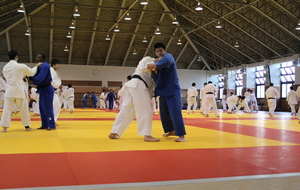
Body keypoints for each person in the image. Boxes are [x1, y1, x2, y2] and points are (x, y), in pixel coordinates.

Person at [108, 56, 160, 142]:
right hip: (138, 84)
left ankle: (114, 132)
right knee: (146, 111)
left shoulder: (152, 76)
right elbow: (144, 67)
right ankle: (147, 135)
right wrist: (156, 61)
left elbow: (151, 89)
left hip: (133, 86)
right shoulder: (148, 59)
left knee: (127, 110)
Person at [147, 42, 186, 142]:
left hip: (172, 89)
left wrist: (155, 64)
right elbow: (157, 79)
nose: (159, 53)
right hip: (163, 91)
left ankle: (181, 135)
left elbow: (167, 61)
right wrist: (154, 71)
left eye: (161, 50)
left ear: (165, 50)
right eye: (157, 51)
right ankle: (171, 130)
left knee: (175, 112)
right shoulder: (158, 64)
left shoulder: (168, 56)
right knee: (164, 113)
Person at [0, 50, 40, 132]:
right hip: (19, 91)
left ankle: (4, 127)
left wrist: (23, 78)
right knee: (24, 109)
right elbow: (32, 73)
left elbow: (11, 77)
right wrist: (37, 66)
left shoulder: (5, 68)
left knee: (7, 110)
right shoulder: (21, 66)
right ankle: (27, 126)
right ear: (16, 57)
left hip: (9, 91)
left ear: (9, 57)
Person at [30, 53, 56, 130]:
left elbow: (40, 78)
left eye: (39, 57)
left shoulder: (44, 66)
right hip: (42, 89)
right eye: (36, 57)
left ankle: (51, 125)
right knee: (42, 108)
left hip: (47, 89)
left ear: (43, 58)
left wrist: (31, 78)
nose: (37, 59)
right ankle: (44, 124)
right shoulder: (40, 66)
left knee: (47, 108)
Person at [50, 59, 62, 125]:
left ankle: (53, 120)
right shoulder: (51, 71)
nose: (58, 66)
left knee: (56, 106)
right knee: (55, 106)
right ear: (53, 65)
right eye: (57, 64)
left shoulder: (55, 72)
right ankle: (52, 121)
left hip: (54, 91)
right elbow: (52, 81)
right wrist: (58, 85)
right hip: (51, 90)